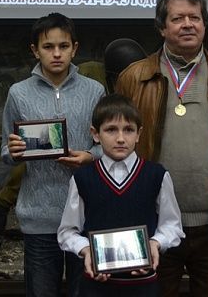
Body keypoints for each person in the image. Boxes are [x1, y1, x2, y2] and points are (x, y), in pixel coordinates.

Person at [115, 0, 208, 297]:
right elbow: (118, 148)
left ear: (205, 23)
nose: (188, 24)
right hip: (153, 224)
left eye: (195, 17)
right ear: (162, 27)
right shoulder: (133, 79)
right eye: (178, 18)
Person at [1, 12, 105, 297]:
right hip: (38, 216)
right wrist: (15, 152)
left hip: (85, 215)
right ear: (35, 50)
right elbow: (5, 153)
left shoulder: (95, 91)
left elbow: (107, 147)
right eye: (48, 47)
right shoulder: (18, 93)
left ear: (75, 48)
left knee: (83, 292)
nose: (57, 54)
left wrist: (90, 156)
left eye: (64, 46)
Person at [57, 94, 184, 297]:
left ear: (139, 134)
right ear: (95, 134)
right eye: (111, 130)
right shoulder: (83, 178)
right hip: (96, 286)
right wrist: (88, 250)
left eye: (128, 130)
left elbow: (172, 226)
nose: (121, 138)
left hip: (144, 286)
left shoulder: (156, 175)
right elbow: (67, 232)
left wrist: (155, 243)